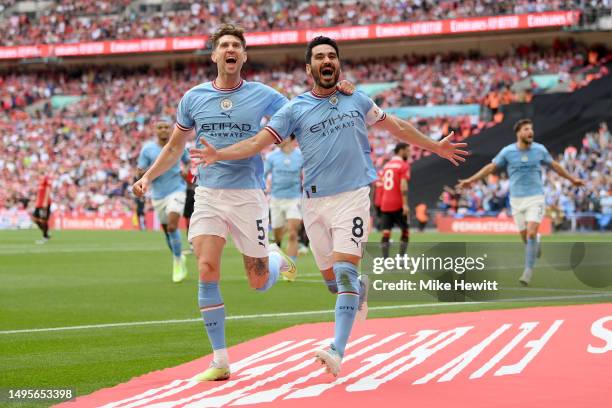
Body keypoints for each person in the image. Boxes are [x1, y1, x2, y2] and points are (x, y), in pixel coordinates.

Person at [190, 36, 468, 377]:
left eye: (332, 56)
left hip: (352, 197)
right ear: (309, 68)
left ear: (338, 65)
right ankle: (359, 290)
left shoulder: (357, 99)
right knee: (334, 284)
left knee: (345, 273)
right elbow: (256, 142)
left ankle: (336, 349)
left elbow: (395, 126)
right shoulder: (294, 109)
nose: (327, 61)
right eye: (320, 56)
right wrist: (219, 154)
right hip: (314, 203)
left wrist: (433, 146)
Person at [132, 25, 355, 382]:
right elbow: (174, 147)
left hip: (248, 195)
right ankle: (220, 360)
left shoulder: (264, 95)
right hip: (207, 193)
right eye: (224, 45)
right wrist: (148, 176)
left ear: (244, 56)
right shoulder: (193, 98)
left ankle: (275, 260)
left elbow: (304, 110)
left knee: (257, 280)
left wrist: (337, 94)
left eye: (236, 45)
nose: (230, 49)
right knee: (206, 268)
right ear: (215, 55)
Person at [457, 118, 584, 285]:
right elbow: (490, 167)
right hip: (516, 200)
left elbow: (555, 166)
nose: (530, 132)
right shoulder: (507, 152)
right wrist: (471, 180)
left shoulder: (539, 150)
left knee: (531, 233)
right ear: (518, 133)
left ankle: (528, 272)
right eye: (526, 129)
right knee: (525, 237)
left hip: (535, 197)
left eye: (531, 129)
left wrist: (572, 179)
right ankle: (535, 242)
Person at [137, 119, 190, 283]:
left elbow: (188, 163)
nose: (164, 130)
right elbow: (140, 172)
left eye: (167, 127)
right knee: (168, 231)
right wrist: (148, 173)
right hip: (158, 194)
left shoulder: (179, 145)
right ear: (155, 130)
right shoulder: (148, 150)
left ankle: (177, 262)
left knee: (173, 225)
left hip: (177, 189)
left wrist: (185, 172)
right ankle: (178, 255)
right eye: (160, 127)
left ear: (171, 129)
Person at [264, 135, 303, 262]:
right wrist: (262, 188)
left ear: (291, 139)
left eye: (282, 136)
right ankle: (277, 248)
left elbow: (309, 175)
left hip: (294, 198)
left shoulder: (301, 156)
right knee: (278, 235)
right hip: (276, 199)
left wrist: (312, 191)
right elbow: (263, 174)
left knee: (293, 233)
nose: (277, 139)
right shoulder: (271, 156)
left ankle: (290, 268)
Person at [379, 142, 411, 258]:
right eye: (408, 151)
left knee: (386, 232)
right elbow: (403, 186)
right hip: (397, 203)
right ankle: (401, 258)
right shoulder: (403, 165)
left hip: (385, 203)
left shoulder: (387, 166)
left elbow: (381, 185)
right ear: (401, 151)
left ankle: (385, 259)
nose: (409, 153)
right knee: (405, 230)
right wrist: (405, 204)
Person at [32, 172, 52, 244]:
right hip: (39, 204)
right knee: (34, 219)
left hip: (44, 203)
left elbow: (48, 190)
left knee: (43, 220)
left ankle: (45, 237)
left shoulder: (46, 179)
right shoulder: (40, 182)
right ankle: (46, 232)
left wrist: (45, 202)